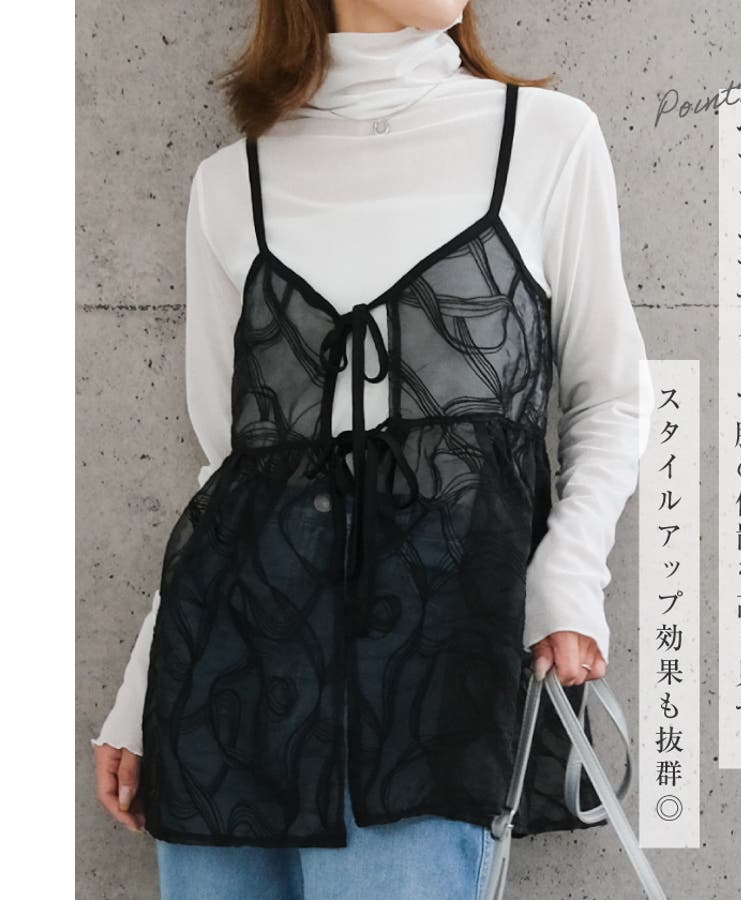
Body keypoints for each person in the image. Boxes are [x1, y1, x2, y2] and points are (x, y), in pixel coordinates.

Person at [91, 1, 652, 897]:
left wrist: (569, 576)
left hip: (433, 679)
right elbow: (230, 472)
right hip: (232, 682)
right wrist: (138, 693)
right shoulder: (231, 182)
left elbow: (611, 398)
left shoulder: (543, 138)